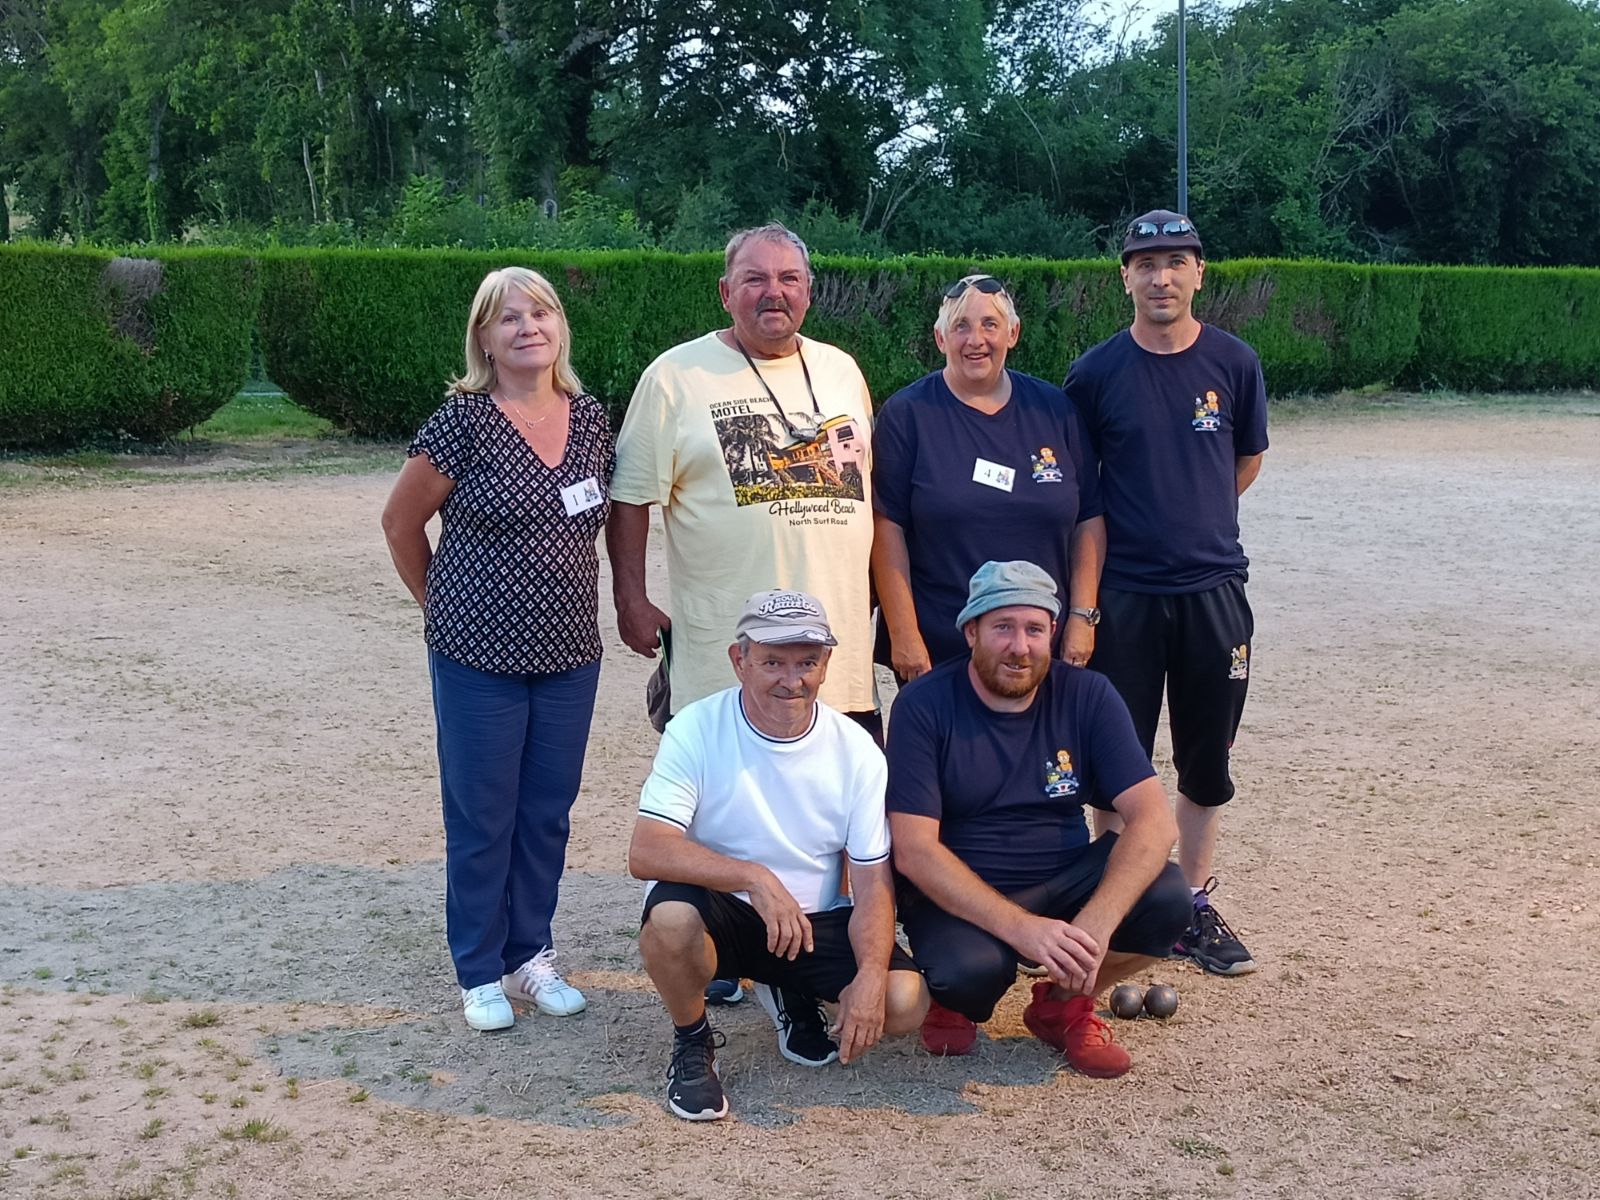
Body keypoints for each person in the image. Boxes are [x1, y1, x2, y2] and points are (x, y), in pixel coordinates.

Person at [608, 222, 879, 1005]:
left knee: (825, 815)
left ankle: (797, 963)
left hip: (838, 656)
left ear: (808, 289)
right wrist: (630, 595)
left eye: (789, 278)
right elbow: (630, 498)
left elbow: (870, 498)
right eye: (754, 279)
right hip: (721, 655)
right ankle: (717, 947)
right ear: (726, 292)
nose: (774, 292)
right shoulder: (675, 377)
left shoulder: (842, 372)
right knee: (719, 811)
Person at [381, 267, 611, 1032]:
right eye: (507, 318)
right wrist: (439, 605)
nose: (527, 327)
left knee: (547, 813)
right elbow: (399, 522)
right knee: (483, 815)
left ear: (560, 327)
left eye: (539, 312)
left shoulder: (591, 420)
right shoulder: (464, 422)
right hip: (477, 655)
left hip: (570, 653)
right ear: (484, 337)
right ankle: (479, 970)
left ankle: (530, 954)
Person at [627, 590, 929, 1121]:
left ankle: (785, 985)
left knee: (903, 1001)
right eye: (772, 662)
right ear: (738, 660)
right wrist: (754, 877)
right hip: (722, 909)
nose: (792, 680)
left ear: (827, 665)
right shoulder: (695, 727)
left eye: (807, 662)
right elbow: (646, 850)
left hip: (813, 920)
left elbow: (873, 883)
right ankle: (693, 1042)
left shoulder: (856, 749)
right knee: (670, 922)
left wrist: (871, 975)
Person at [1063, 210, 1269, 976]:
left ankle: (1192, 906)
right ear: (1125, 277)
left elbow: (1243, 462)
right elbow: (1079, 495)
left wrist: (1197, 518)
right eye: (1145, 263)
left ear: (1199, 273)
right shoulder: (1094, 374)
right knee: (1115, 764)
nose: (1161, 277)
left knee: (1205, 759)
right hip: (1125, 596)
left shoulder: (1234, 362)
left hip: (1214, 590)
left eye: (1176, 261)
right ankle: (1113, 908)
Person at [886, 561, 1189, 1078]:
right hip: (961, 889)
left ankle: (1064, 1002)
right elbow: (913, 848)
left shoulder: (1087, 695)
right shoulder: (924, 704)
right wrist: (1022, 930)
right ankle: (952, 1002)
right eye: (1002, 627)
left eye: (1034, 629)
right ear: (971, 631)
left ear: (1052, 632)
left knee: (1167, 899)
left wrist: (1092, 929)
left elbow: (1155, 821)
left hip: (1062, 873)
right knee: (970, 974)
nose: (1019, 647)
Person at [871, 273, 1105, 679]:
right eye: (960, 326)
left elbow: (1089, 518)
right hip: (942, 650)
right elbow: (885, 528)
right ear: (940, 338)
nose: (975, 339)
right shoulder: (908, 415)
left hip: (1038, 648)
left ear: (1013, 333)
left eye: (989, 325)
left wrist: (1083, 619)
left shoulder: (1055, 410)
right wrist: (904, 634)